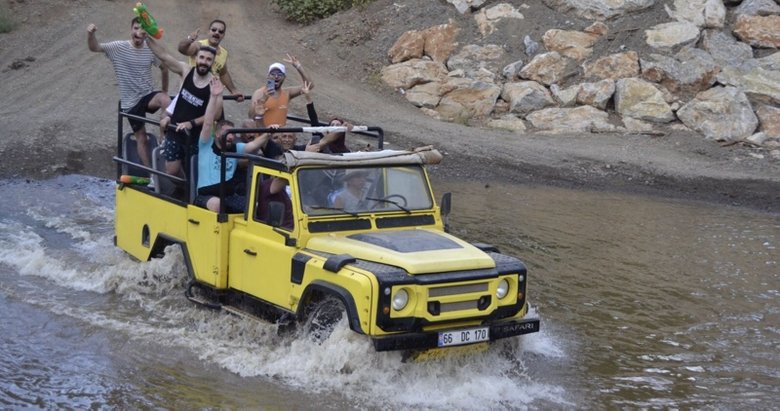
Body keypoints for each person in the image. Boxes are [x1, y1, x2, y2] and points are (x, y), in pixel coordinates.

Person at [87, 18, 170, 168]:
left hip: (147, 96)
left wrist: (164, 89)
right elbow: (95, 47)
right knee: (142, 138)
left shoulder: (150, 48)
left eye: (142, 30)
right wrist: (91, 34)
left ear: (146, 34)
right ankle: (152, 174)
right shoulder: (119, 47)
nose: (138, 33)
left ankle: (163, 140)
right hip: (130, 101)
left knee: (166, 100)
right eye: (136, 28)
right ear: (131, 29)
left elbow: (164, 67)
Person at [195, 78, 272, 213]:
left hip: (229, 196)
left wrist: (269, 132)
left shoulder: (235, 148)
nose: (230, 136)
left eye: (232, 133)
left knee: (254, 208)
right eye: (226, 133)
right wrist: (214, 96)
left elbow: (254, 144)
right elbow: (207, 122)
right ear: (217, 134)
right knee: (218, 205)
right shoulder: (206, 144)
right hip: (206, 196)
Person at [145, 34, 215, 178]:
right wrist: (147, 38)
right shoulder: (186, 71)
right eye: (202, 58)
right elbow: (164, 56)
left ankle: (190, 192)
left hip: (196, 136)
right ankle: (183, 190)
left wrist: (191, 123)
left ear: (212, 62)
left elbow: (215, 115)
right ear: (196, 58)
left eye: (208, 59)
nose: (204, 62)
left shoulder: (214, 84)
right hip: (175, 131)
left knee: (195, 172)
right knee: (172, 171)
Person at [177, 19, 243, 101]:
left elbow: (223, 73)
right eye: (214, 30)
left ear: (223, 35)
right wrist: (189, 39)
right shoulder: (199, 45)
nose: (217, 33)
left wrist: (234, 91)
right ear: (209, 31)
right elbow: (182, 49)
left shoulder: (224, 53)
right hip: (191, 93)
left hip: (209, 96)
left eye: (220, 31)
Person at [249, 54, 313, 127]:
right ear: (268, 76)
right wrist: (263, 100)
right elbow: (250, 116)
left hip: (281, 137)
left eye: (279, 74)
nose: (276, 77)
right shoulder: (259, 93)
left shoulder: (287, 92)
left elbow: (309, 85)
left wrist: (298, 67)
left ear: (284, 77)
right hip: (264, 134)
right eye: (273, 74)